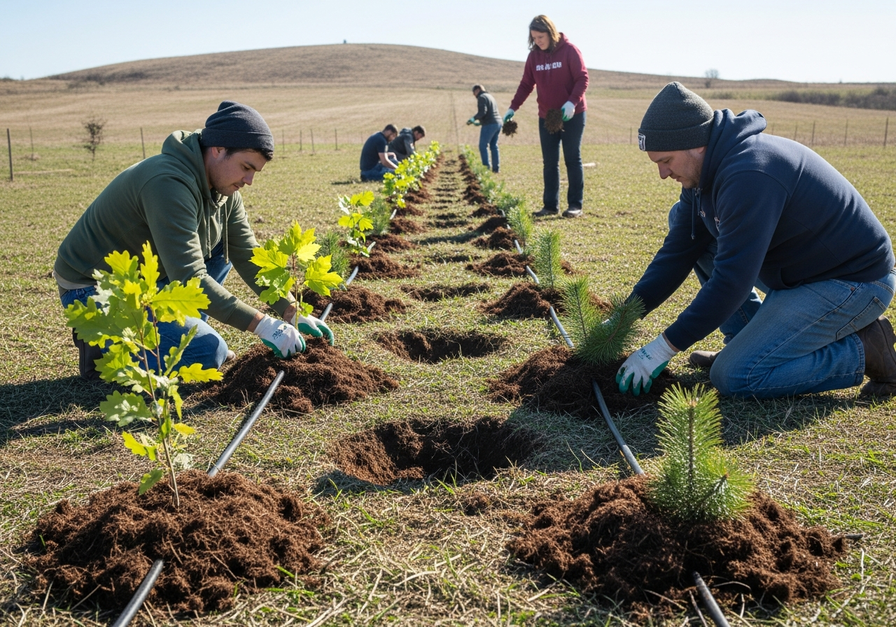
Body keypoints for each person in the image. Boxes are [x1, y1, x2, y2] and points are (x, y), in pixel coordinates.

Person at [615, 82, 896, 399]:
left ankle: (865, 349)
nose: (663, 174)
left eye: (665, 161)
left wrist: (661, 349)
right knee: (685, 221)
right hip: (797, 273)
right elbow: (679, 250)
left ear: (696, 145)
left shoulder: (750, 174)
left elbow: (732, 280)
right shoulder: (703, 174)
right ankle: (744, 343)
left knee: (736, 376)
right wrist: (623, 317)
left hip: (850, 282)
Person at [55, 101, 333, 380]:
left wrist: (289, 310)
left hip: (150, 279)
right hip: (95, 289)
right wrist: (262, 325)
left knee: (218, 253)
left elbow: (247, 254)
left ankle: (173, 334)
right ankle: (104, 346)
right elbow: (190, 276)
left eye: (254, 172)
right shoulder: (167, 182)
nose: (249, 181)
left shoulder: (225, 191)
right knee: (206, 353)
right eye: (245, 167)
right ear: (218, 149)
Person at [505, 15, 589, 219]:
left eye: (541, 37)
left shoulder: (569, 50)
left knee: (572, 158)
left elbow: (582, 78)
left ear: (550, 33)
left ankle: (575, 205)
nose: (537, 41)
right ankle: (550, 205)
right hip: (547, 116)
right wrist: (513, 107)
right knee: (549, 162)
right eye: (534, 38)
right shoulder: (534, 57)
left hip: (571, 114)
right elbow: (526, 84)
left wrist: (571, 102)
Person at [466, 84, 502, 173]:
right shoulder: (490, 96)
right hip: (498, 123)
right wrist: (480, 122)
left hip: (490, 124)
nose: (474, 95)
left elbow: (482, 112)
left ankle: (486, 168)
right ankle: (496, 169)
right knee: (494, 146)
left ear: (477, 90)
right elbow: (489, 112)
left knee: (483, 146)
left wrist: (473, 119)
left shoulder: (481, 97)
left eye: (474, 93)